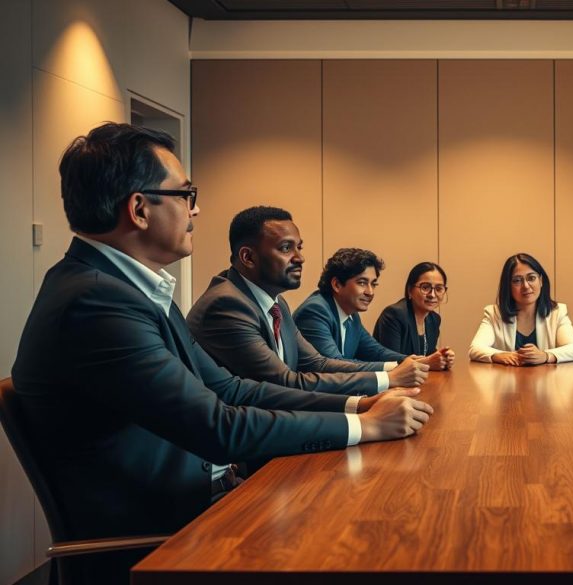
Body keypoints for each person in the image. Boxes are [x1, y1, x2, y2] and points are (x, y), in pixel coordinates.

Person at [10, 123, 432, 583]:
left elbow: (229, 387)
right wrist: (364, 426)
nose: (196, 209)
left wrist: (357, 404)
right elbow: (218, 426)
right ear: (139, 209)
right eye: (185, 194)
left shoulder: (129, 290)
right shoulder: (96, 303)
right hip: (163, 541)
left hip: (203, 503)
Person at [188, 211, 429, 394]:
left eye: (299, 247)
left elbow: (317, 362)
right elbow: (284, 382)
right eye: (286, 248)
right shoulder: (226, 304)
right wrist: (389, 379)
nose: (300, 258)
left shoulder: (277, 303)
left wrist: (399, 368)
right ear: (248, 257)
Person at [294, 248, 450, 371]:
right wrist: (409, 366)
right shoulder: (316, 311)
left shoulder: (351, 315)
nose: (370, 292)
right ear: (337, 285)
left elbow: (376, 352)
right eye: (362, 283)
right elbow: (335, 365)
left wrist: (419, 362)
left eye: (373, 284)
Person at [469, 253, 573, 365]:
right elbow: (475, 348)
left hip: (547, 380)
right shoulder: (494, 314)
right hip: (506, 380)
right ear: (508, 286)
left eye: (531, 278)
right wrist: (499, 355)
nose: (526, 286)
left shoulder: (557, 312)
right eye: (517, 281)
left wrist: (546, 355)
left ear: (541, 281)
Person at [373, 262, 455, 367]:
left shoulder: (434, 319)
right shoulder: (394, 315)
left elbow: (427, 354)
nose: (432, 295)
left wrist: (443, 358)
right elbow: (390, 362)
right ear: (410, 290)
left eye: (439, 289)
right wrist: (428, 362)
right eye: (425, 287)